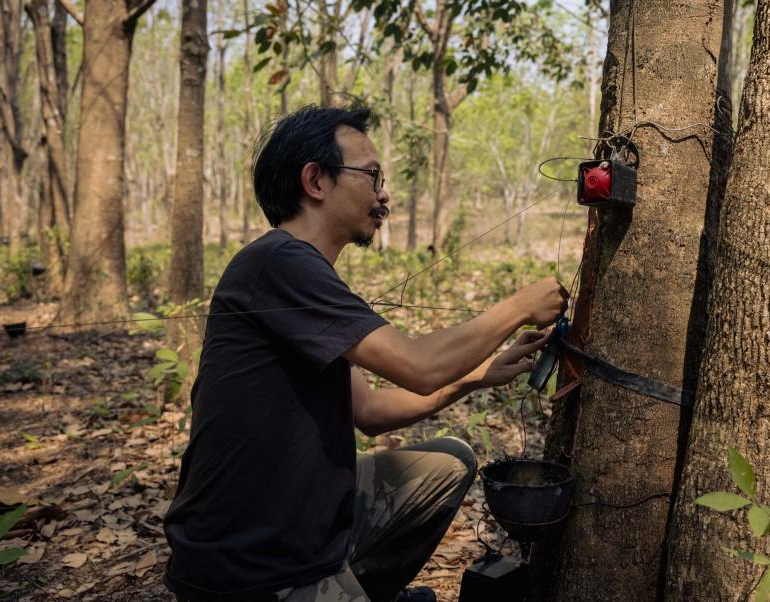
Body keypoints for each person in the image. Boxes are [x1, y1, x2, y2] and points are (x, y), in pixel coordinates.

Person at [162, 104, 568, 602]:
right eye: (372, 175)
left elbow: (371, 411)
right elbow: (420, 367)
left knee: (447, 462)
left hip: (298, 522)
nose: (384, 194)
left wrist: (477, 375)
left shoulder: (304, 272)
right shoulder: (278, 262)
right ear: (315, 180)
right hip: (250, 563)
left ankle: (365, 589)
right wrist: (520, 306)